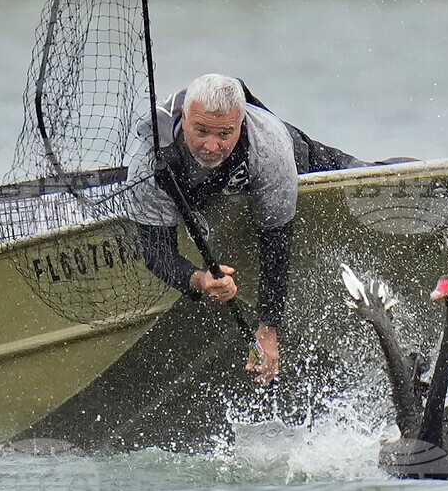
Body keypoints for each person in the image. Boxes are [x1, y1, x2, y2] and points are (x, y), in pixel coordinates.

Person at [125, 74, 369, 385]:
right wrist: (198, 279)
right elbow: (155, 250)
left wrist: (268, 327)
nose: (211, 146)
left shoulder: (267, 145)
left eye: (224, 134)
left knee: (351, 167)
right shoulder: (149, 158)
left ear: (240, 126)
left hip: (295, 158)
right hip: (200, 185)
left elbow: (277, 241)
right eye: (201, 131)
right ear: (184, 119)